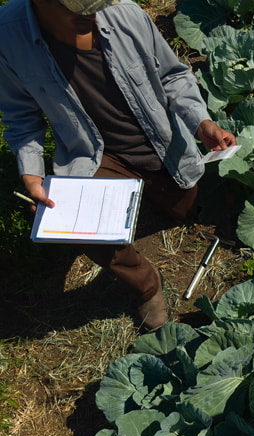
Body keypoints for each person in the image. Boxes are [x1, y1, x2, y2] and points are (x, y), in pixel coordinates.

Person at [0, 0, 236, 330]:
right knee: (70, 217)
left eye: (96, 5)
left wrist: (202, 123)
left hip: (160, 144)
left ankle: (151, 195)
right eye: (78, 9)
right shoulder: (8, 35)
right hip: (92, 155)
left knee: (185, 209)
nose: (92, 16)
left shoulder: (126, 13)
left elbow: (173, 76)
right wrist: (31, 171)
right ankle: (145, 284)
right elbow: (21, 116)